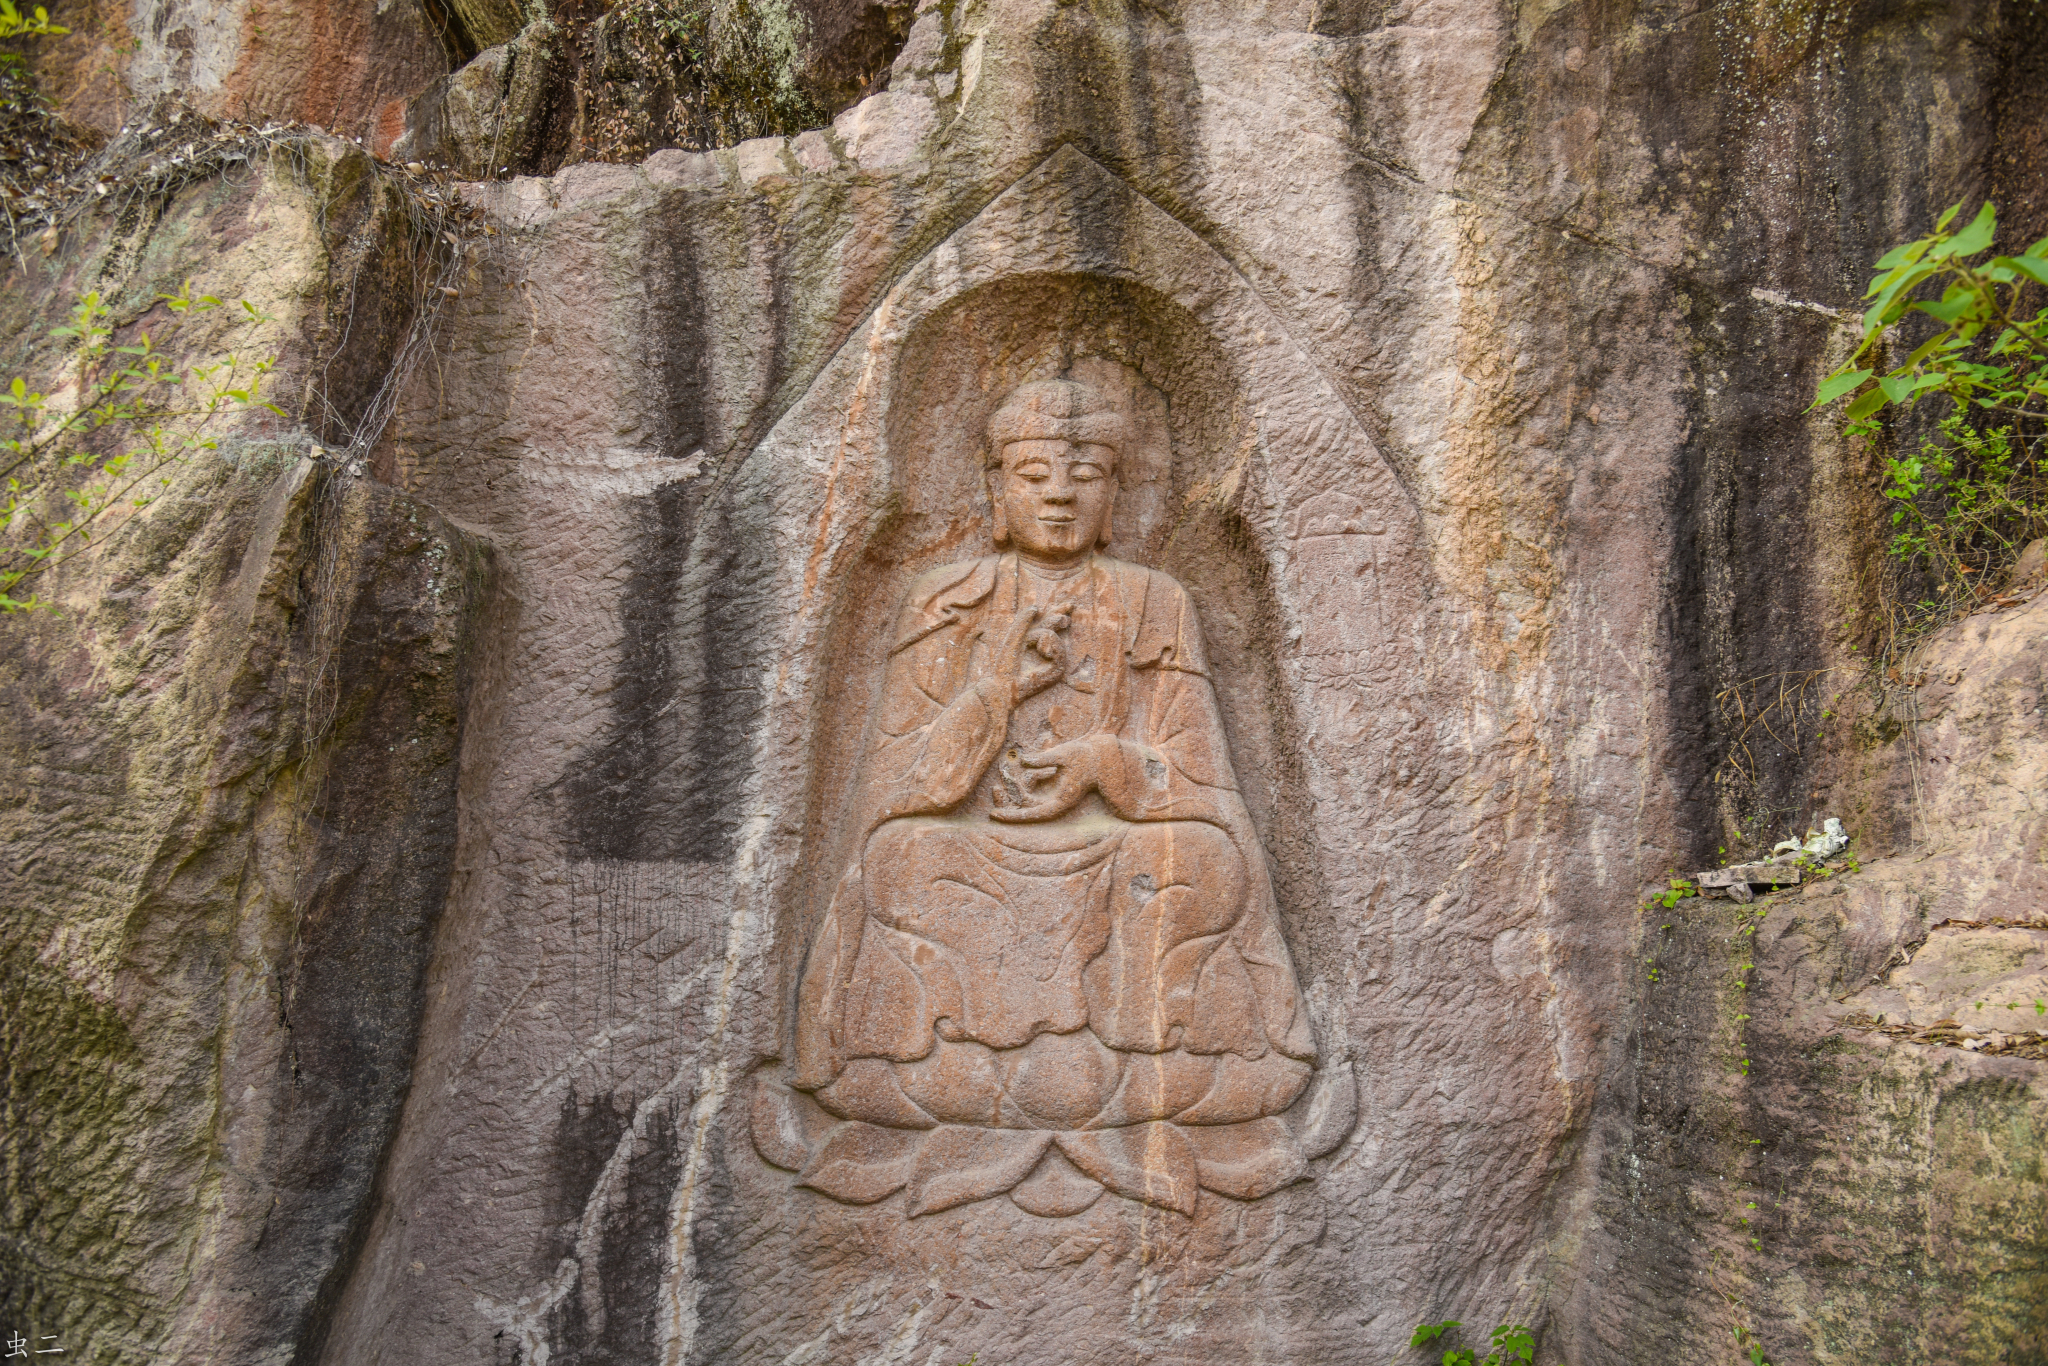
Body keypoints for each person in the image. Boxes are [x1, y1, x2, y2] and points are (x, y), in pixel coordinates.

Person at [788, 378, 1317, 1215]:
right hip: (975, 863)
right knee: (900, 859)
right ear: (996, 490)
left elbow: (1207, 780)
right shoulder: (943, 600)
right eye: (1034, 475)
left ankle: (1019, 1073)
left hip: (1119, 859)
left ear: (1116, 494)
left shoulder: (1155, 601)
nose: (1061, 492)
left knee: (1206, 862)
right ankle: (1077, 1072)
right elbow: (898, 788)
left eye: (1086, 473)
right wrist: (992, 693)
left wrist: (1107, 763)